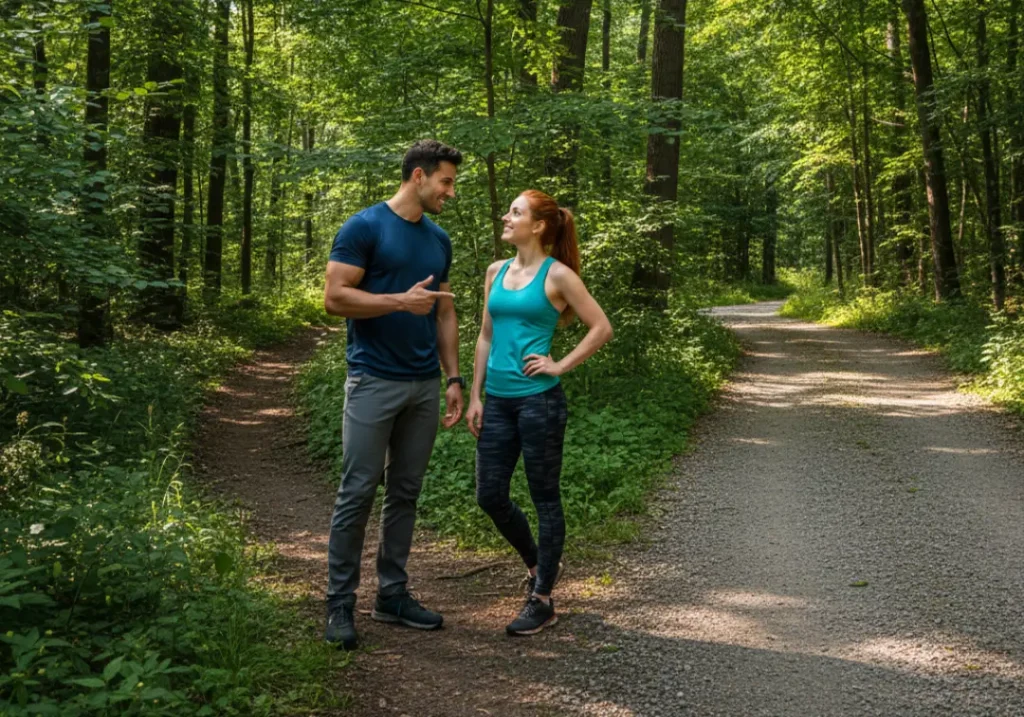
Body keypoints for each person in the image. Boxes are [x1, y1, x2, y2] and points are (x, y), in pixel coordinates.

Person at [322, 139, 465, 650]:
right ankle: (340, 603)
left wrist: (453, 379)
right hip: (372, 381)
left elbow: (444, 311)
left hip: (424, 385)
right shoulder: (364, 227)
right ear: (419, 176)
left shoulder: (439, 240)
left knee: (405, 492)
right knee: (358, 491)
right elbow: (334, 297)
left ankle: (392, 594)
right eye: (446, 181)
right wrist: (397, 302)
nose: (450, 191)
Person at [466, 190, 613, 636]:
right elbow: (486, 336)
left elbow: (602, 326)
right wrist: (476, 395)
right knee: (489, 494)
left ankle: (544, 598)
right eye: (509, 211)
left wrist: (560, 363)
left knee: (544, 497)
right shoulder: (496, 271)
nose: (506, 217)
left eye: (516, 212)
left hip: (539, 403)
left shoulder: (559, 276)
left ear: (539, 226)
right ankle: (537, 564)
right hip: (499, 402)